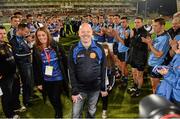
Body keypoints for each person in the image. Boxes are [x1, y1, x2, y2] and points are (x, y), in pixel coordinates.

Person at [68, 23, 107, 118]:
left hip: (95, 88)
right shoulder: (74, 48)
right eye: (83, 32)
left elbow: (103, 68)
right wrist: (74, 91)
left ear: (92, 32)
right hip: (79, 89)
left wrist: (103, 87)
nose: (85, 34)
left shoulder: (99, 48)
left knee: (91, 111)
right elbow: (71, 71)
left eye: (88, 31)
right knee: (76, 114)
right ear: (79, 33)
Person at [33, 26, 69, 118]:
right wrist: (38, 82)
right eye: (39, 35)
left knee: (55, 96)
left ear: (47, 35)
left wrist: (67, 76)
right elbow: (35, 67)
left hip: (58, 77)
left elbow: (65, 60)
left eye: (43, 35)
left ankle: (59, 113)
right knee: (51, 97)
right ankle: (57, 109)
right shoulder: (36, 48)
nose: (41, 37)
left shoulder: (56, 45)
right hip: (45, 79)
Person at [142, 18, 170, 94]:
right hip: (152, 63)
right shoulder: (157, 35)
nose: (153, 27)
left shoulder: (165, 38)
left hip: (157, 65)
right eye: (153, 25)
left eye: (156, 26)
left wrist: (150, 44)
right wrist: (149, 42)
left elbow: (158, 55)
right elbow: (150, 49)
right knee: (154, 85)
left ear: (162, 26)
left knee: (156, 86)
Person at [0, 25, 19, 118]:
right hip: (4, 76)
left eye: (3, 33)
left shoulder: (7, 44)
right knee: (6, 96)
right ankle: (9, 114)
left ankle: (15, 108)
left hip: (13, 73)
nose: (2, 35)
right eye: (0, 33)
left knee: (14, 92)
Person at [127, 17, 149, 97]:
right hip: (133, 55)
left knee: (139, 75)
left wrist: (132, 37)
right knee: (133, 73)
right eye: (135, 22)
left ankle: (139, 89)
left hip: (141, 57)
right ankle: (135, 86)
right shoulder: (134, 30)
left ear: (142, 23)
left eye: (138, 22)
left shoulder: (145, 33)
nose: (136, 24)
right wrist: (133, 38)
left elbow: (137, 44)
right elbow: (132, 43)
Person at [156, 40, 180, 107]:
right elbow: (172, 67)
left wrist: (167, 74)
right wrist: (165, 69)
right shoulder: (178, 56)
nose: (178, 42)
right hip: (171, 94)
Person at [101, 43, 116, 119]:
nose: (105, 55)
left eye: (106, 53)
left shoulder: (110, 62)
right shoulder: (95, 61)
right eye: (103, 53)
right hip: (96, 85)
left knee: (104, 99)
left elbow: (113, 76)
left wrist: (110, 86)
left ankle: (104, 111)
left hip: (105, 85)